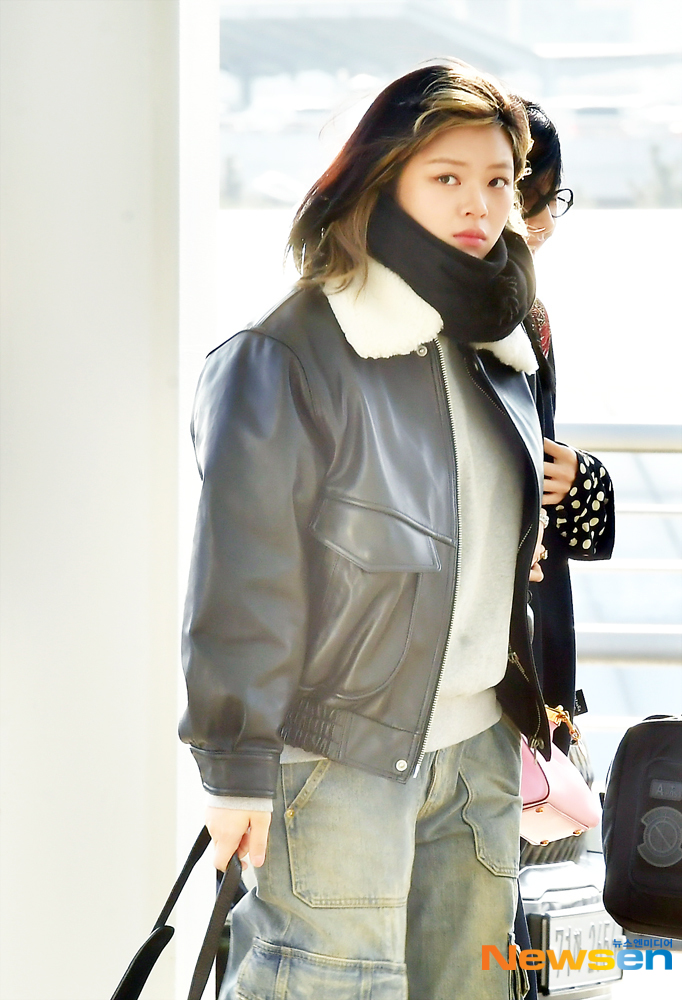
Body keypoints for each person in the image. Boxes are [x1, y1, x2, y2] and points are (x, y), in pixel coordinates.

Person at [180, 63, 550, 1000]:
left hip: (478, 752)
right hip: (338, 759)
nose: (479, 204)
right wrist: (234, 769)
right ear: (382, 178)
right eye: (446, 177)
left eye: (498, 179)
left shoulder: (498, 343)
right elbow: (242, 577)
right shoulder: (287, 352)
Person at [512, 101, 616, 1000]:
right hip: (481, 691)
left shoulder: (530, 319)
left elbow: (556, 499)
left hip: (539, 675)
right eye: (530, 192)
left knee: (543, 933)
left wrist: (575, 476)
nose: (542, 216)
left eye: (550, 195)